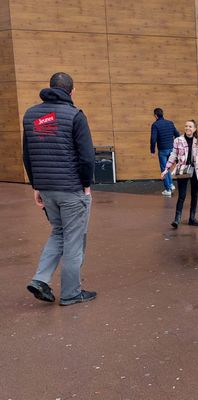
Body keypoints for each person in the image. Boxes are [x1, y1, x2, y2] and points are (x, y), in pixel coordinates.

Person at [22, 72, 97, 306]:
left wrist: (36, 186)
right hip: (71, 189)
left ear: (50, 88)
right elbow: (86, 157)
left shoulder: (31, 115)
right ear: (71, 92)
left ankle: (40, 279)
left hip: (46, 189)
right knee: (74, 239)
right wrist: (86, 184)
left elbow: (27, 155)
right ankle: (71, 293)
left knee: (59, 233)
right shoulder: (75, 115)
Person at [161, 120, 198, 228]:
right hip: (182, 170)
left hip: (196, 170)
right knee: (182, 195)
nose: (187, 128)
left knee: (194, 195)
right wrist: (166, 169)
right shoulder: (178, 140)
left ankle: (192, 218)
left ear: (195, 129)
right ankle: (176, 219)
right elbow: (173, 155)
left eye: (190, 126)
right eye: (186, 126)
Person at [151, 108, 179, 196]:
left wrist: (152, 150)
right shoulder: (170, 123)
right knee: (168, 168)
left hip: (163, 150)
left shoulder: (155, 125)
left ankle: (168, 190)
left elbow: (153, 139)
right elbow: (177, 134)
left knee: (164, 169)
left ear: (155, 115)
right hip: (171, 149)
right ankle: (171, 185)